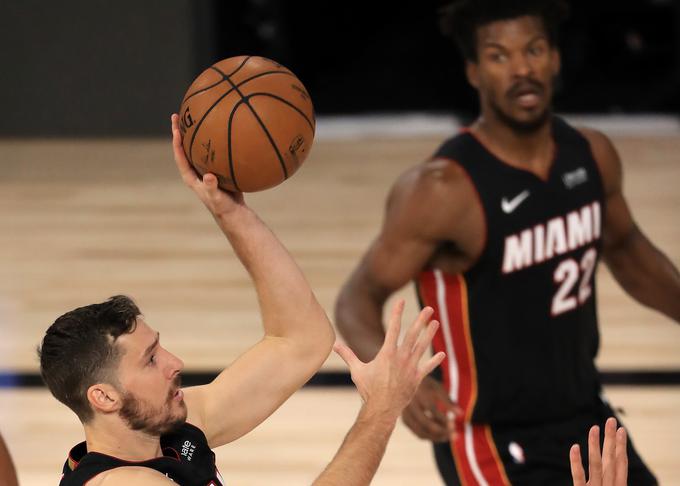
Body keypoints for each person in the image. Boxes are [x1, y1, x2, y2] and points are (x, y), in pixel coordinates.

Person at [334, 0, 680, 484]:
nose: (521, 68)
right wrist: (394, 387)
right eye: (499, 56)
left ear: (555, 58)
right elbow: (357, 298)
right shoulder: (442, 189)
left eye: (534, 49)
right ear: (474, 72)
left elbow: (629, 254)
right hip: (489, 439)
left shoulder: (592, 155)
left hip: (586, 414)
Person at [36, 114, 446, 486]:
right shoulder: (123, 485)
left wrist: (229, 212)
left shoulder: (169, 433)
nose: (175, 363)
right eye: (150, 360)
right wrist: (380, 411)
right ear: (104, 397)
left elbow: (301, 340)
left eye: (159, 349)